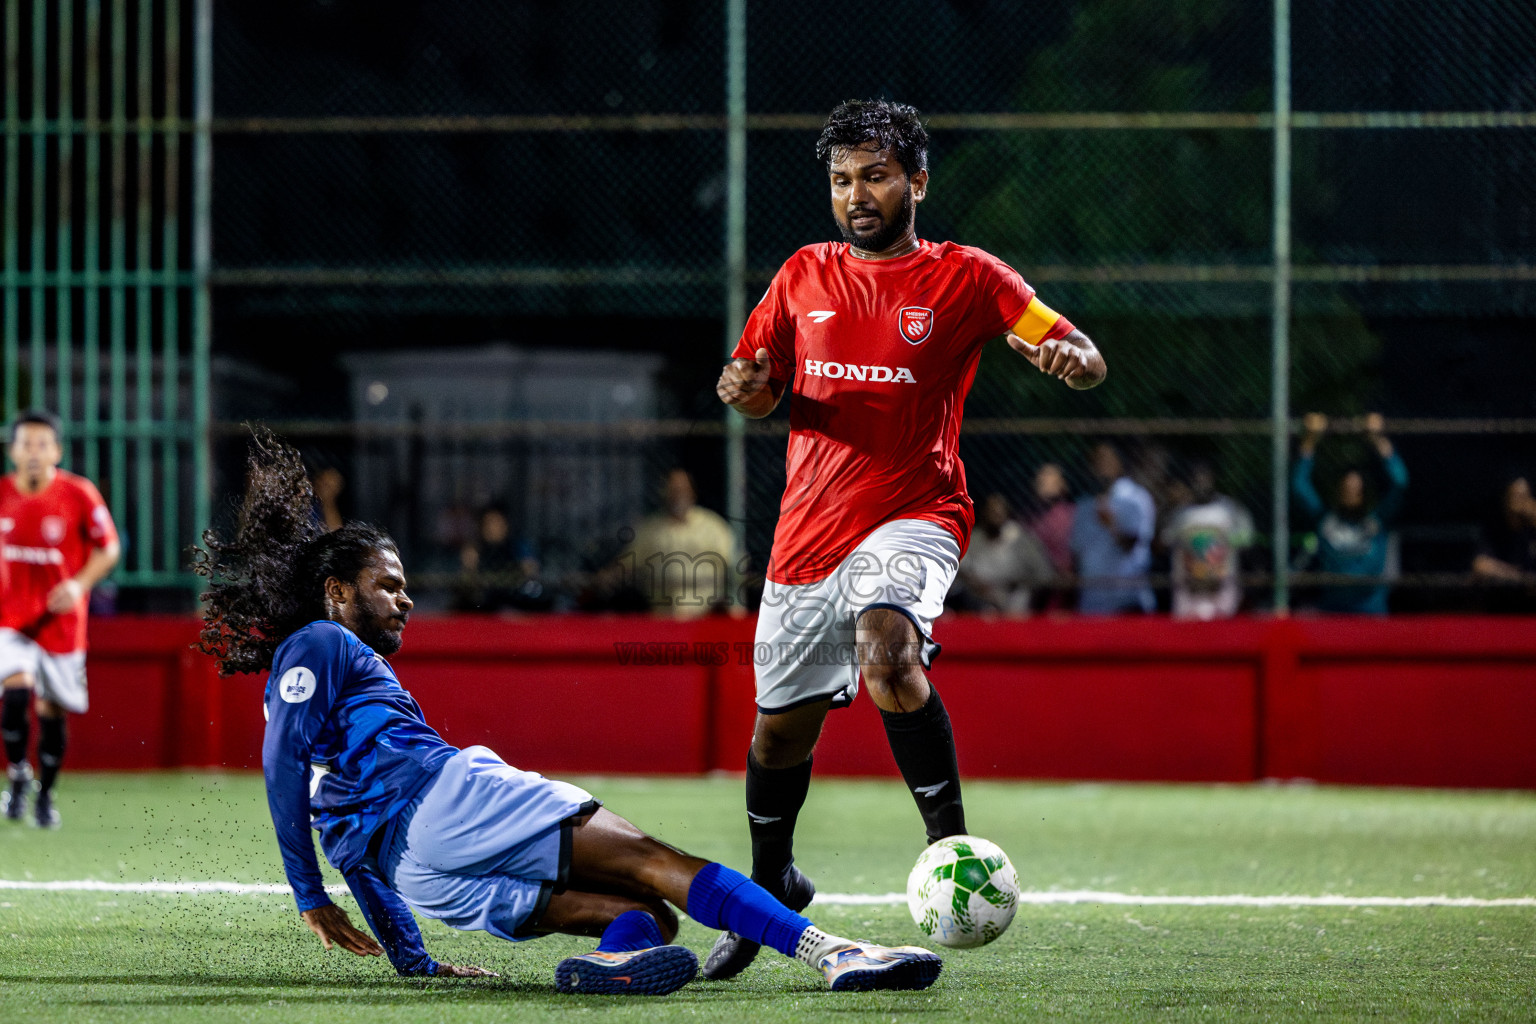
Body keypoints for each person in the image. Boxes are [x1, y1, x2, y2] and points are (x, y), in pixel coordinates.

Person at [191, 430, 941, 996]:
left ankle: (616, 952)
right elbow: (279, 760)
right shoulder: (320, 641)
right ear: (336, 593)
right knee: (658, 860)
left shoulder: (318, 689)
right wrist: (307, 896)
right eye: (388, 584)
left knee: (647, 915)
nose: (406, 598)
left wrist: (415, 961)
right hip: (445, 799)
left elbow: (350, 845)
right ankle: (835, 953)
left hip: (417, 875)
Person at [712, 99, 1105, 979]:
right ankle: (771, 885)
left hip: (917, 510)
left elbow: (1066, 340)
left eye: (876, 175)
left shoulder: (967, 277)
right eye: (842, 178)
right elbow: (758, 382)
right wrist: (744, 390)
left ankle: (954, 853)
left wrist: (1073, 355)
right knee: (779, 735)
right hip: (806, 537)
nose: (857, 194)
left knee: (889, 650)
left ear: (917, 181)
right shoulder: (802, 275)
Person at [0, 411, 121, 828]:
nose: (33, 452)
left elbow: (109, 548)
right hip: (11, 622)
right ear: (12, 449)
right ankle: (18, 773)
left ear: (57, 450)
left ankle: (45, 794)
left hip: (62, 626)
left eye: (42, 444)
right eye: (25, 444)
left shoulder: (79, 494)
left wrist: (78, 585)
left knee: (52, 712)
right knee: (16, 693)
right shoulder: (1, 493)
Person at [1291, 412, 1407, 615]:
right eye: (1347, 489)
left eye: (1357, 490)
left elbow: (1400, 482)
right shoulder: (1325, 519)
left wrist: (1377, 438)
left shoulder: (1377, 520)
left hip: (1371, 612)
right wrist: (1311, 439)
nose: (1351, 493)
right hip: (1332, 612)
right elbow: (1299, 485)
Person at [618, 468, 740, 617]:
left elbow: (734, 566)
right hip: (661, 618)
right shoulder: (649, 530)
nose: (677, 495)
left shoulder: (713, 527)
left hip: (706, 617)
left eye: (682, 490)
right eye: (672, 490)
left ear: (692, 493)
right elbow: (625, 566)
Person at [1161, 459, 1255, 620]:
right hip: (1189, 595)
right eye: (1196, 478)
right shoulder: (1179, 515)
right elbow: (1165, 543)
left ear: (1213, 479)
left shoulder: (1230, 510)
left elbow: (1247, 541)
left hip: (1221, 593)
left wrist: (1220, 546)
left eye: (1204, 477)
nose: (1200, 482)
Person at [1069, 442, 1155, 615]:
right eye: (1097, 460)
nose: (1102, 465)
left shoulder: (1136, 499)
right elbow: (1077, 555)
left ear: (1119, 462)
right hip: (1091, 604)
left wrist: (1112, 525)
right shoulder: (1084, 506)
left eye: (1107, 459)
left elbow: (1132, 545)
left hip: (1126, 601)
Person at [951, 494, 1055, 614]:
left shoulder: (1021, 540)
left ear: (1007, 514)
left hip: (1013, 599)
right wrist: (975, 584)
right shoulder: (973, 540)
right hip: (979, 601)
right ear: (984, 514)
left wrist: (1018, 581)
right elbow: (959, 570)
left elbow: (1044, 574)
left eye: (999, 513)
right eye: (992, 513)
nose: (995, 517)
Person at [1470, 475, 1536, 613]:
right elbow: (1481, 566)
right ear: (1506, 499)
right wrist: (1519, 577)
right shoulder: (1495, 528)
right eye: (1517, 496)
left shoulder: (1531, 528)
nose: (1522, 502)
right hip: (1500, 605)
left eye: (1525, 496)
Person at [1025, 463, 1075, 610]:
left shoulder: (1072, 514)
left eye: (1049, 477)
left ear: (1062, 485)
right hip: (1036, 586)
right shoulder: (1029, 518)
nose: (1042, 480)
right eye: (1041, 477)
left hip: (1066, 586)